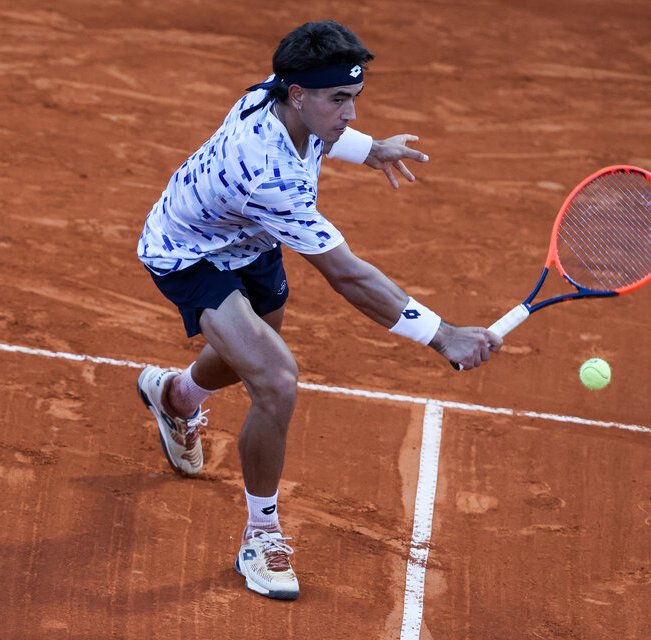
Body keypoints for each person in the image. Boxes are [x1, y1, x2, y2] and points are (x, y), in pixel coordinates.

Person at [136, 20, 501, 601]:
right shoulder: (268, 173)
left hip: (250, 241)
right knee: (276, 379)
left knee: (238, 361)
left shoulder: (282, 91)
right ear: (299, 94)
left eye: (356, 98)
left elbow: (321, 129)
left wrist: (370, 150)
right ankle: (262, 534)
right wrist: (443, 335)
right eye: (340, 100)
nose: (351, 114)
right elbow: (347, 275)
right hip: (189, 252)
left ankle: (176, 398)